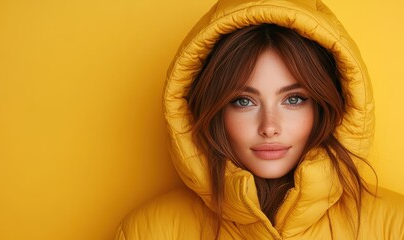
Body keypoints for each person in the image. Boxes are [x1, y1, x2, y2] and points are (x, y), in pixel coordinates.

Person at [116, 0, 404, 239]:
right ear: (214, 109)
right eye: (244, 101)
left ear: (326, 105)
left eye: (293, 99)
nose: (269, 127)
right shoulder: (149, 230)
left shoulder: (395, 225)